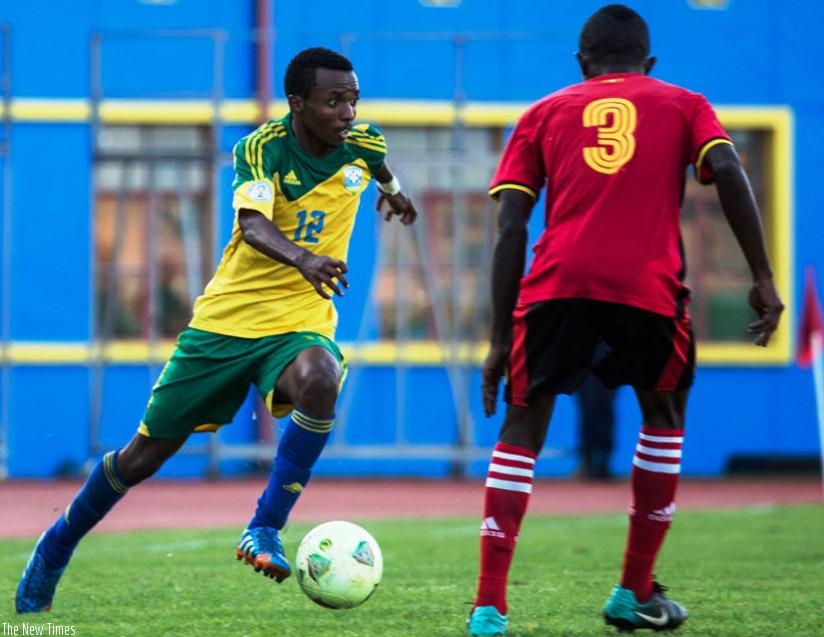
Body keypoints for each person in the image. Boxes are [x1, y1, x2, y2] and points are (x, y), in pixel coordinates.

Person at [16, 47, 418, 614]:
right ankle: (53, 549)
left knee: (322, 378)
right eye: (334, 100)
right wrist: (304, 258)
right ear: (297, 103)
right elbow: (252, 225)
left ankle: (265, 527)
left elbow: (377, 162)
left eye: (353, 98)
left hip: (300, 322)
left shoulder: (365, 141)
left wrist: (394, 191)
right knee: (141, 458)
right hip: (226, 324)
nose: (348, 111)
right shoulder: (262, 148)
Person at [467, 5, 783, 636]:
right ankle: (634, 591)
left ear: (582, 64)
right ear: (650, 63)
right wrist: (762, 276)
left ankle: (489, 607)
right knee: (662, 419)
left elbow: (510, 228)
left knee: (523, 427)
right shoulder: (684, 103)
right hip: (648, 287)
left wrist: (500, 338)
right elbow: (724, 168)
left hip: (558, 285)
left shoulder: (541, 113)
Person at [575, 369, 617, 480]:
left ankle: (602, 461)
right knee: (587, 410)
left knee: (601, 407)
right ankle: (587, 461)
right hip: (583, 363)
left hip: (608, 361)